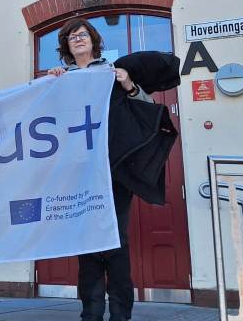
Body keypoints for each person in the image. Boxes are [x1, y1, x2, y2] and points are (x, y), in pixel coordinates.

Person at [47, 18, 158, 321]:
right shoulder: (61, 79)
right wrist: (50, 83)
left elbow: (146, 109)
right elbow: (39, 114)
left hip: (113, 172)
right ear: (66, 46)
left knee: (115, 241)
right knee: (87, 243)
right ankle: (91, 313)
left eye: (83, 35)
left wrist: (128, 84)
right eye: (72, 37)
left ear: (94, 41)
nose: (78, 39)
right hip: (78, 172)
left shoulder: (110, 74)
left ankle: (121, 313)